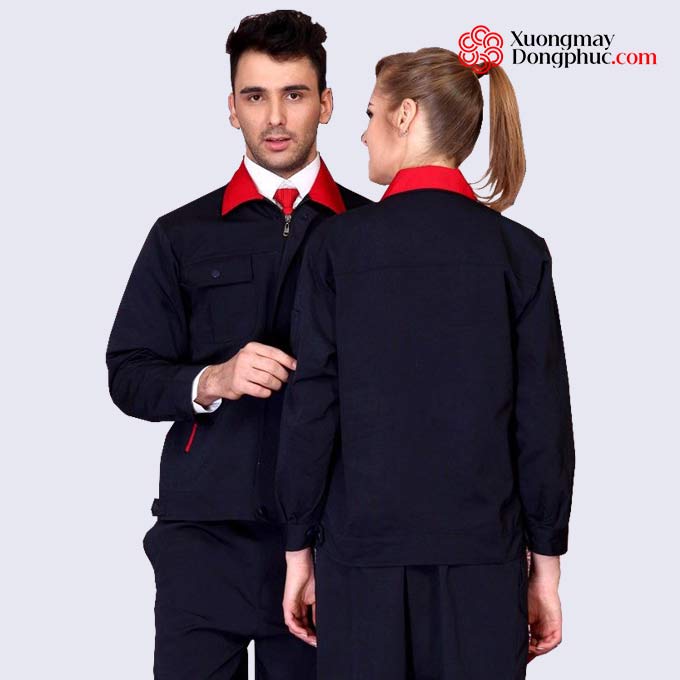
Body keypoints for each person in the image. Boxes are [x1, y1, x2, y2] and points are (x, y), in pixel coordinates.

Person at [276, 47, 576, 679]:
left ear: (406, 115)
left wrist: (297, 551)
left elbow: (312, 409)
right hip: (483, 561)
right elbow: (543, 422)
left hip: (361, 560)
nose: (362, 132)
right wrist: (545, 569)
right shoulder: (519, 253)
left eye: (370, 113)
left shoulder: (335, 247)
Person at [105, 10, 370, 679]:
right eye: (255, 96)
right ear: (231, 108)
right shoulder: (181, 234)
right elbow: (128, 372)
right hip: (202, 540)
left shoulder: (373, 236)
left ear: (326, 104)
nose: (275, 117)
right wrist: (213, 380)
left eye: (294, 94)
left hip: (329, 544)